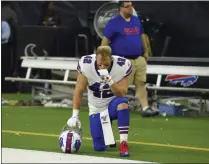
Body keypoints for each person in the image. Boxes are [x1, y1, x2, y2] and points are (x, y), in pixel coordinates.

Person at [67, 46, 132, 157]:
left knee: (123, 103)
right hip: (96, 109)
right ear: (95, 60)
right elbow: (79, 89)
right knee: (99, 147)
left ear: (111, 60)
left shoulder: (121, 65)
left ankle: (123, 143)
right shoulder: (86, 64)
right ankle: (108, 135)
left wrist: (109, 80)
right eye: (99, 64)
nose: (102, 67)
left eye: (106, 64)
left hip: (112, 105)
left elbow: (122, 93)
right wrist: (75, 115)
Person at [101, 1, 159, 117]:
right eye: (127, 6)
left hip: (138, 59)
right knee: (122, 87)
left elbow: (142, 36)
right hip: (123, 60)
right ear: (120, 9)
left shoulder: (135, 20)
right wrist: (103, 57)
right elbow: (105, 41)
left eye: (131, 6)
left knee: (141, 83)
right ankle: (115, 109)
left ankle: (145, 108)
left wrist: (146, 51)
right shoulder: (114, 23)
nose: (130, 8)